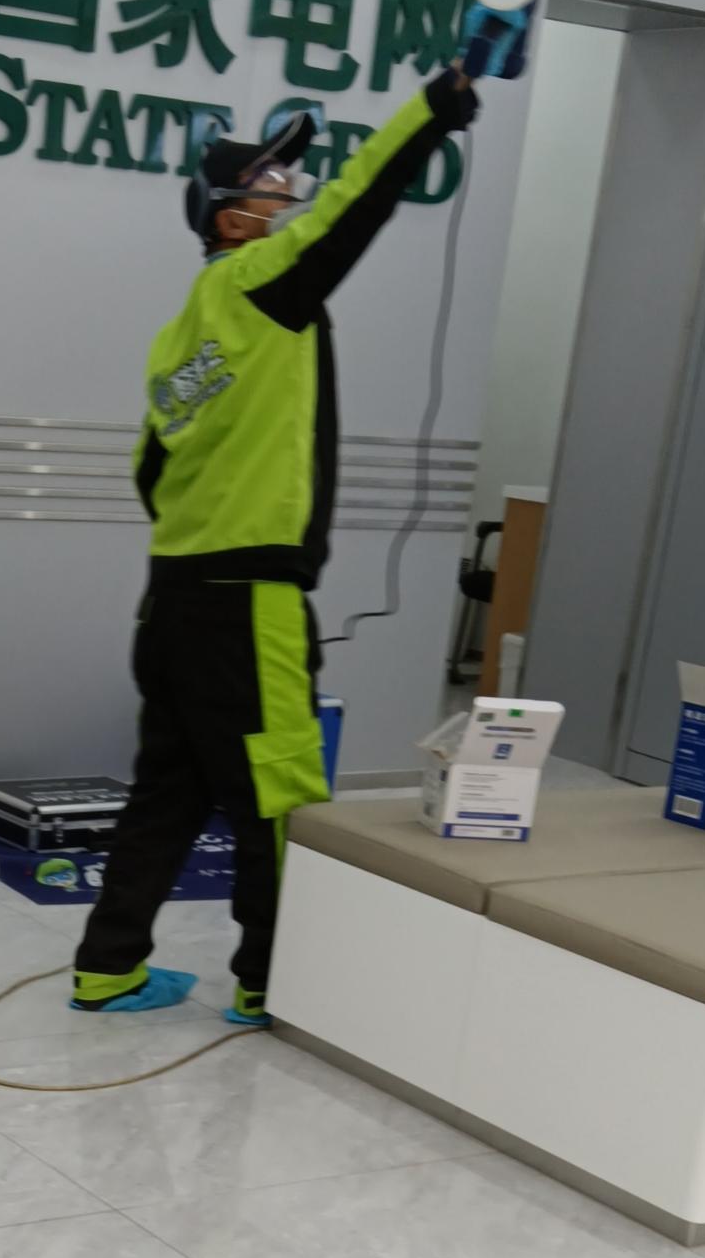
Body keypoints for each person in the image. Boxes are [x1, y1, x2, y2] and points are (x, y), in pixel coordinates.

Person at [72, 68, 481, 1026]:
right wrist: (434, 108)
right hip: (246, 606)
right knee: (280, 798)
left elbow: (148, 472)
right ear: (230, 216)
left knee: (167, 793)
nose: (289, 194)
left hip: (172, 602)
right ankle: (277, 981)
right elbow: (356, 205)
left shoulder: (180, 338)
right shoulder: (261, 284)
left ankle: (108, 967)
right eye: (270, 185)